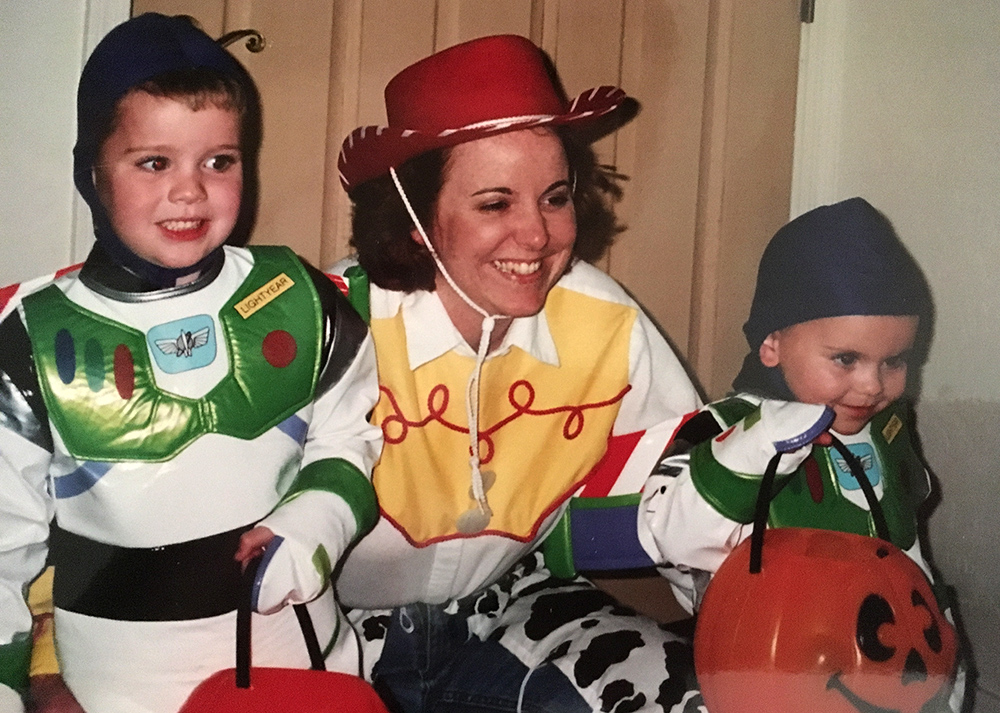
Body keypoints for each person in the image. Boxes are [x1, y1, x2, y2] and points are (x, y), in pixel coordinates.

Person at [0, 14, 381, 713]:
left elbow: (350, 434)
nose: (190, 190)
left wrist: (317, 519)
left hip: (302, 666)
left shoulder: (297, 298)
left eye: (219, 160)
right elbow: (3, 545)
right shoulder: (29, 339)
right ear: (91, 169)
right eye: (154, 162)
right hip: (118, 687)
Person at [328, 35, 704, 713]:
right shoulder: (329, 327)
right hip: (334, 630)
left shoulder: (605, 323)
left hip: (512, 608)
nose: (537, 235)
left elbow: (687, 492)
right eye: (495, 203)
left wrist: (759, 618)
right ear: (416, 219)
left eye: (554, 198)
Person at [639, 197, 964, 709]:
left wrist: (938, 631)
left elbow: (905, 547)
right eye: (846, 358)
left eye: (894, 361)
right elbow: (665, 532)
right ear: (772, 344)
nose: (871, 385)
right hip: (758, 664)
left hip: (884, 659)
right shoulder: (724, 427)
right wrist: (761, 443)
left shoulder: (889, 431)